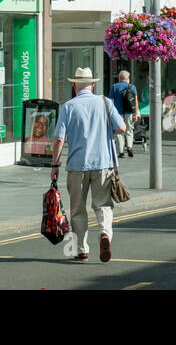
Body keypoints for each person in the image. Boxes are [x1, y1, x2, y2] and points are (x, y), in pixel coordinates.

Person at [50, 67, 127, 263]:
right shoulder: (105, 102)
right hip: (103, 163)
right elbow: (121, 127)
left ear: (75, 86)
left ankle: (81, 250)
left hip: (76, 165)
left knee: (77, 209)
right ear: (93, 85)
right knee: (103, 205)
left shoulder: (68, 106)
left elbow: (59, 139)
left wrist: (54, 166)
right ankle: (104, 234)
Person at [107, 69, 140, 158]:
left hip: (118, 113)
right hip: (129, 112)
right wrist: (136, 113)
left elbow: (110, 100)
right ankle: (129, 146)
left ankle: (121, 151)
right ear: (128, 78)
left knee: (119, 132)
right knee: (129, 130)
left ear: (119, 78)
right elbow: (135, 101)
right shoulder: (132, 87)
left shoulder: (114, 87)